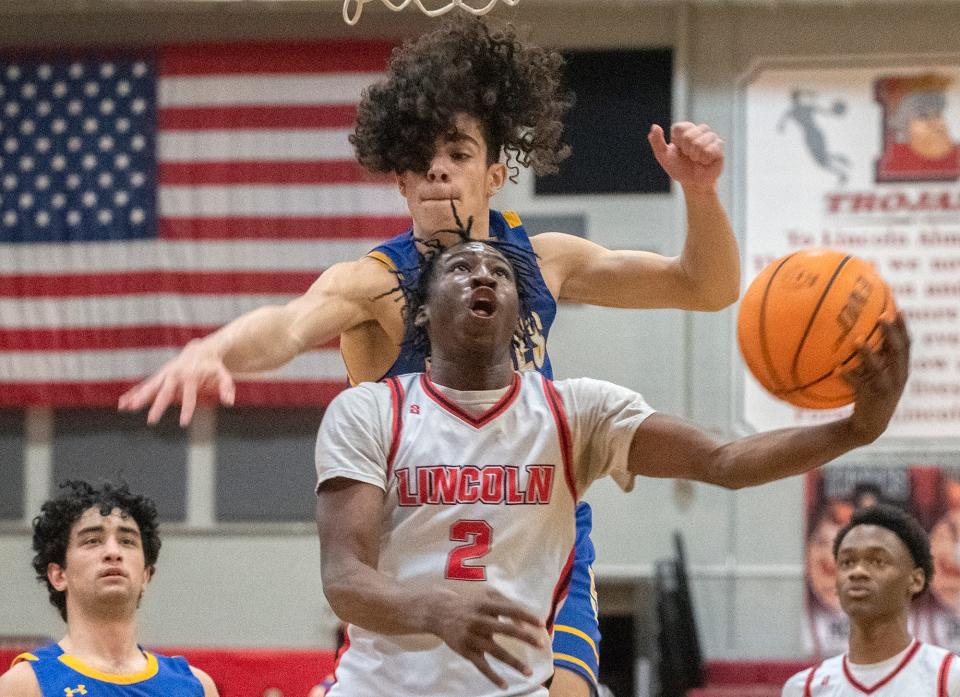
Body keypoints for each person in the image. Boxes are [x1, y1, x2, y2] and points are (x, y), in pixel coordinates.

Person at [118, 16, 738, 697]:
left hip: (538, 542)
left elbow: (704, 287)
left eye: (458, 151)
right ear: (401, 182)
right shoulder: (376, 280)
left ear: (496, 173)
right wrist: (216, 350)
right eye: (420, 157)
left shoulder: (545, 260)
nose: (438, 167)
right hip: (412, 560)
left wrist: (702, 194)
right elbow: (289, 325)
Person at [314, 236, 909, 697]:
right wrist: (431, 606)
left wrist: (857, 428)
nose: (484, 275)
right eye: (462, 267)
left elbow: (722, 461)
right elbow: (345, 578)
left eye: (500, 272)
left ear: (521, 313)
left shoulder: (577, 411)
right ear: (421, 314)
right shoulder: (370, 411)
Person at [0, 481, 218, 697]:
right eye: (93, 540)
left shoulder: (196, 686)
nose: (113, 552)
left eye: (127, 541)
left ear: (145, 574)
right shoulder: (25, 685)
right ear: (58, 575)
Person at [783, 504, 960, 697]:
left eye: (878, 561)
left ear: (916, 580)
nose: (857, 572)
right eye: (847, 562)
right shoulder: (804, 689)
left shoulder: (949, 678)